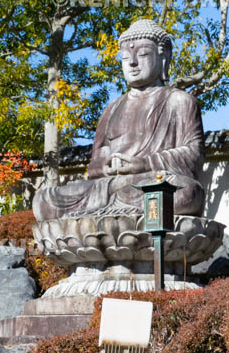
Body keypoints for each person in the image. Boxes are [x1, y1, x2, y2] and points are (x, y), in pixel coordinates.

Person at [33, 19, 206, 221]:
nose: (132, 62)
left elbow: (194, 154)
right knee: (44, 200)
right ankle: (115, 211)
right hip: (109, 186)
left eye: (143, 54)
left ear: (163, 56)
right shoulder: (112, 108)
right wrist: (105, 165)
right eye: (125, 57)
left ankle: (110, 213)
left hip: (150, 182)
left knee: (187, 192)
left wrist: (144, 163)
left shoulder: (179, 100)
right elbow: (95, 164)